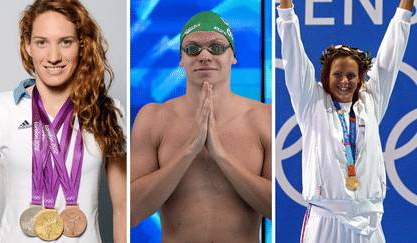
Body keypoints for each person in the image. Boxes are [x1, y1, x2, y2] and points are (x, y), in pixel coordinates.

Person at [0, 0, 126, 242]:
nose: (53, 57)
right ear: (27, 46)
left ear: (81, 46)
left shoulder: (109, 112)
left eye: (65, 42)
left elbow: (123, 208)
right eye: (42, 43)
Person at [277, 0, 414, 242]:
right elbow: (293, 55)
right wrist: (286, 9)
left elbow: (390, 59)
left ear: (361, 78)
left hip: (369, 223)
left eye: (351, 75)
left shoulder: (371, 102)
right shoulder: (311, 102)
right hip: (326, 222)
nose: (344, 81)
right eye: (337, 74)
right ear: (325, 76)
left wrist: (406, 7)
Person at [130, 11, 272, 242]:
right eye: (192, 49)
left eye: (216, 48)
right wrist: (188, 150)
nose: (204, 56)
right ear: (181, 58)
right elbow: (131, 213)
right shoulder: (153, 118)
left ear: (232, 56)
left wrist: (221, 155)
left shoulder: (263, 117)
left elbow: (277, 210)